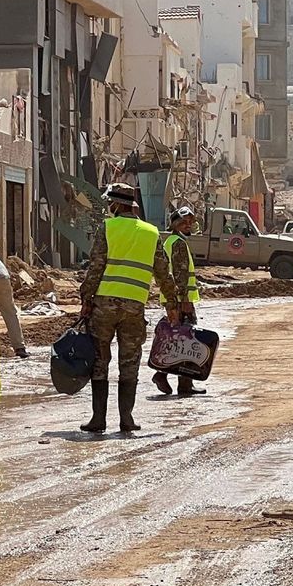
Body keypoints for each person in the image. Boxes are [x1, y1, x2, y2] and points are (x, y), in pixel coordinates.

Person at [79, 182, 181, 434]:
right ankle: (126, 419)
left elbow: (96, 266)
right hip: (135, 307)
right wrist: (172, 304)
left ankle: (98, 420)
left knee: (100, 362)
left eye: (110, 203)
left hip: (104, 305)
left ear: (116, 204)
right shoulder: (151, 232)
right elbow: (163, 273)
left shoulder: (108, 227)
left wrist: (86, 300)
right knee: (129, 362)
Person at [152, 205, 203, 398]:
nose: (188, 225)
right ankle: (166, 375)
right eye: (184, 223)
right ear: (175, 225)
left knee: (177, 339)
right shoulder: (178, 243)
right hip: (181, 300)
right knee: (185, 340)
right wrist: (183, 301)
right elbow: (180, 275)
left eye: (190, 222)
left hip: (175, 299)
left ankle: (180, 381)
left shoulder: (172, 241)